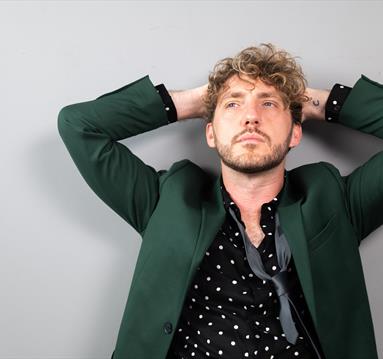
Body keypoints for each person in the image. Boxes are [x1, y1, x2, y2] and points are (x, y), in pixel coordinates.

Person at [58, 44, 382, 359]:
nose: (250, 117)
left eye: (268, 104)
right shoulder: (167, 199)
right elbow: (78, 125)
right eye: (234, 105)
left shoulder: (333, 200)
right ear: (210, 134)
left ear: (295, 133)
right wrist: (197, 101)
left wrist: (320, 102)